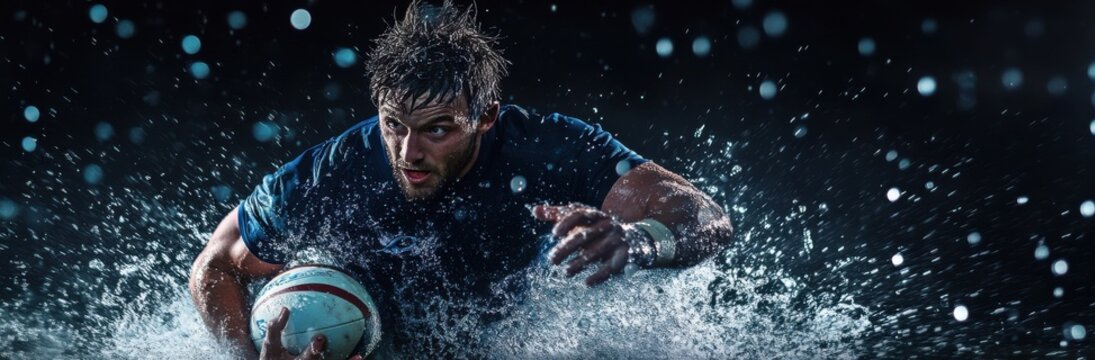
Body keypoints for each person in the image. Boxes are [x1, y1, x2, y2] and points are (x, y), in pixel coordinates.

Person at [189, 1, 732, 358]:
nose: (409, 152)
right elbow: (214, 265)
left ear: (487, 116)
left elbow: (706, 216)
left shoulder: (547, 149)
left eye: (438, 129)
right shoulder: (332, 172)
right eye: (394, 125)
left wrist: (636, 240)